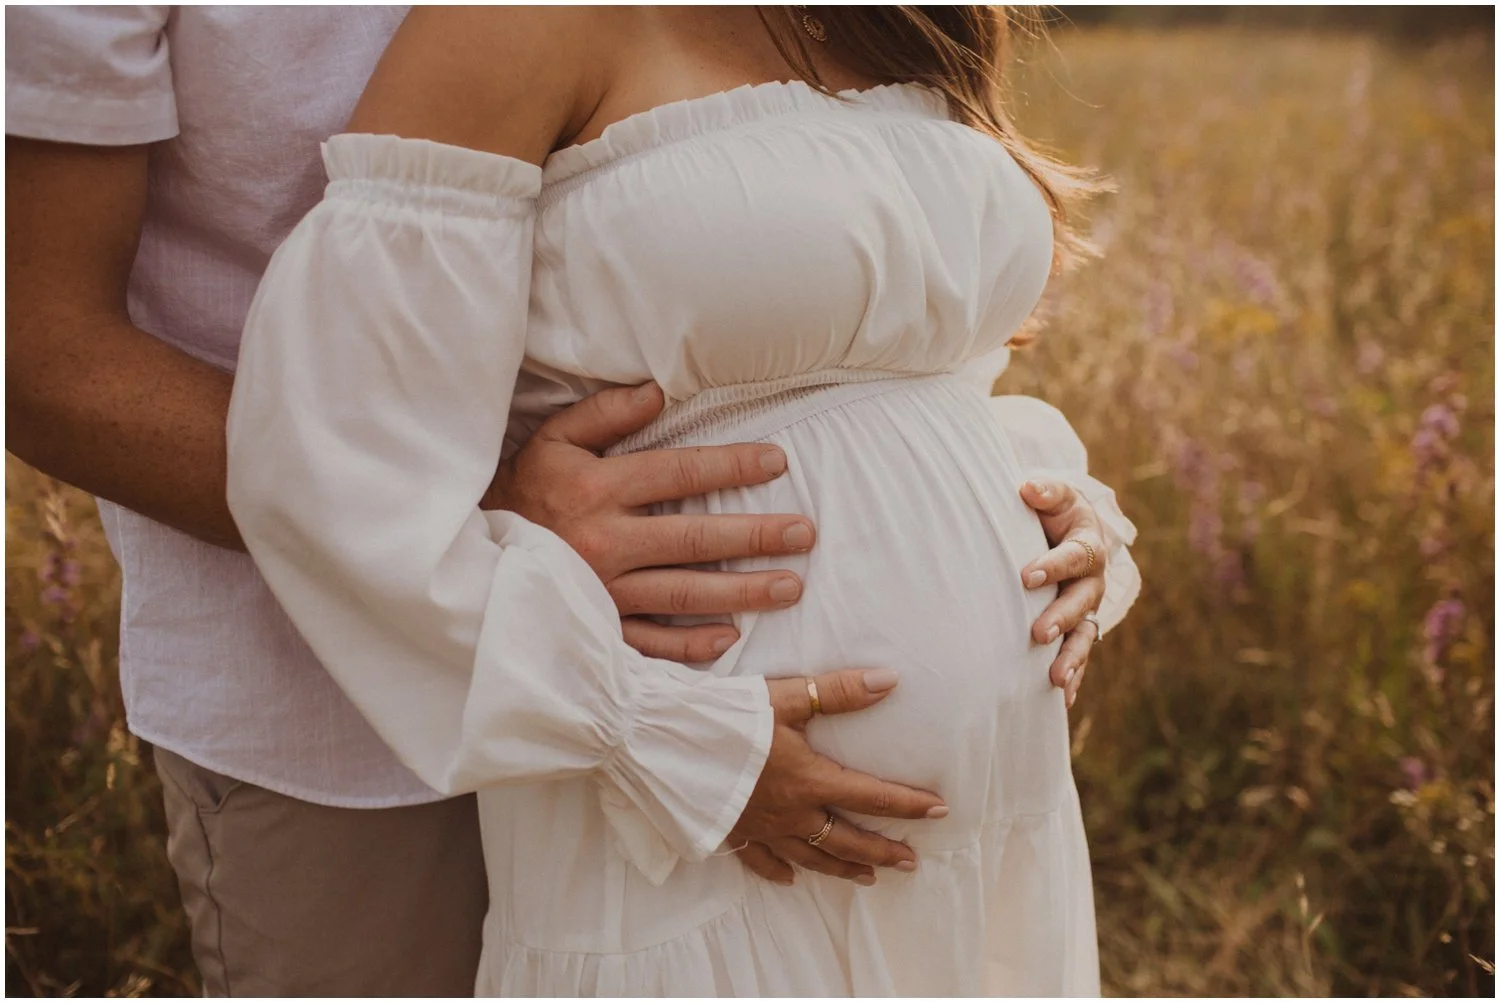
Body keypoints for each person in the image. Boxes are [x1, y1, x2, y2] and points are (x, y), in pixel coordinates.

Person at [5, 5, 1132, 996]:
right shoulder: (513, 26)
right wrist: (524, 557)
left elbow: (872, 356)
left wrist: (1023, 487)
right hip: (401, 708)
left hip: (965, 839)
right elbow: (43, 352)